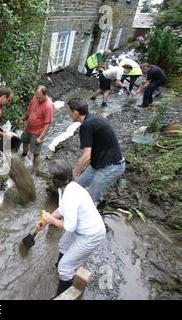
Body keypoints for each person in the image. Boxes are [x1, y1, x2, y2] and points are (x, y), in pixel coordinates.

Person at [36, 160, 106, 297]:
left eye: (52, 176)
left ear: (56, 179)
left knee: (65, 267)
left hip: (91, 234)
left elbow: (69, 227)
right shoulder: (67, 187)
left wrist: (51, 220)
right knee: (63, 245)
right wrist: (45, 221)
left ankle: (62, 295)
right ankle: (61, 270)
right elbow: (62, 209)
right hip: (82, 227)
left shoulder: (70, 195)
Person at [67, 98, 125, 206]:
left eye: (69, 112)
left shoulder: (87, 125)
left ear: (75, 112)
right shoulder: (92, 118)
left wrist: (73, 174)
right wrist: (76, 174)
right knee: (76, 186)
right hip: (98, 163)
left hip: (111, 166)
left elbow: (86, 156)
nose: (69, 114)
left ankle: (88, 216)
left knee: (90, 199)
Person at [19, 85, 54, 172]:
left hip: (37, 132)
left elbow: (48, 124)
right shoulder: (35, 97)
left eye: (40, 98)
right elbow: (29, 110)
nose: (38, 99)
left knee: (36, 153)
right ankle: (24, 154)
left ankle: (34, 169)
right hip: (29, 127)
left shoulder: (48, 106)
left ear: (45, 94)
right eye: (37, 96)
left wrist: (40, 137)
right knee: (24, 140)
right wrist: (23, 118)